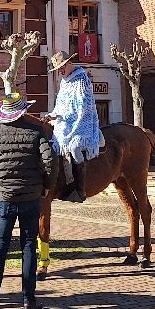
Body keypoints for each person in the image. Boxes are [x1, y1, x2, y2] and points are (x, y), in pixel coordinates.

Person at [0, 93, 55, 309]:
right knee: (29, 245)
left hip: (3, 199)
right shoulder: (35, 132)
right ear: (22, 111)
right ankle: (29, 302)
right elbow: (50, 161)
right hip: (30, 198)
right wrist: (46, 186)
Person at [45, 50, 103, 202]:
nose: (60, 70)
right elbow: (61, 104)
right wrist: (53, 114)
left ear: (70, 63)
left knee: (75, 148)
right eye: (58, 68)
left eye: (62, 66)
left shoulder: (81, 79)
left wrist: (62, 116)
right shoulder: (65, 82)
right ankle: (64, 183)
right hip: (63, 122)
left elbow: (83, 105)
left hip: (82, 122)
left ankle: (80, 189)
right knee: (54, 143)